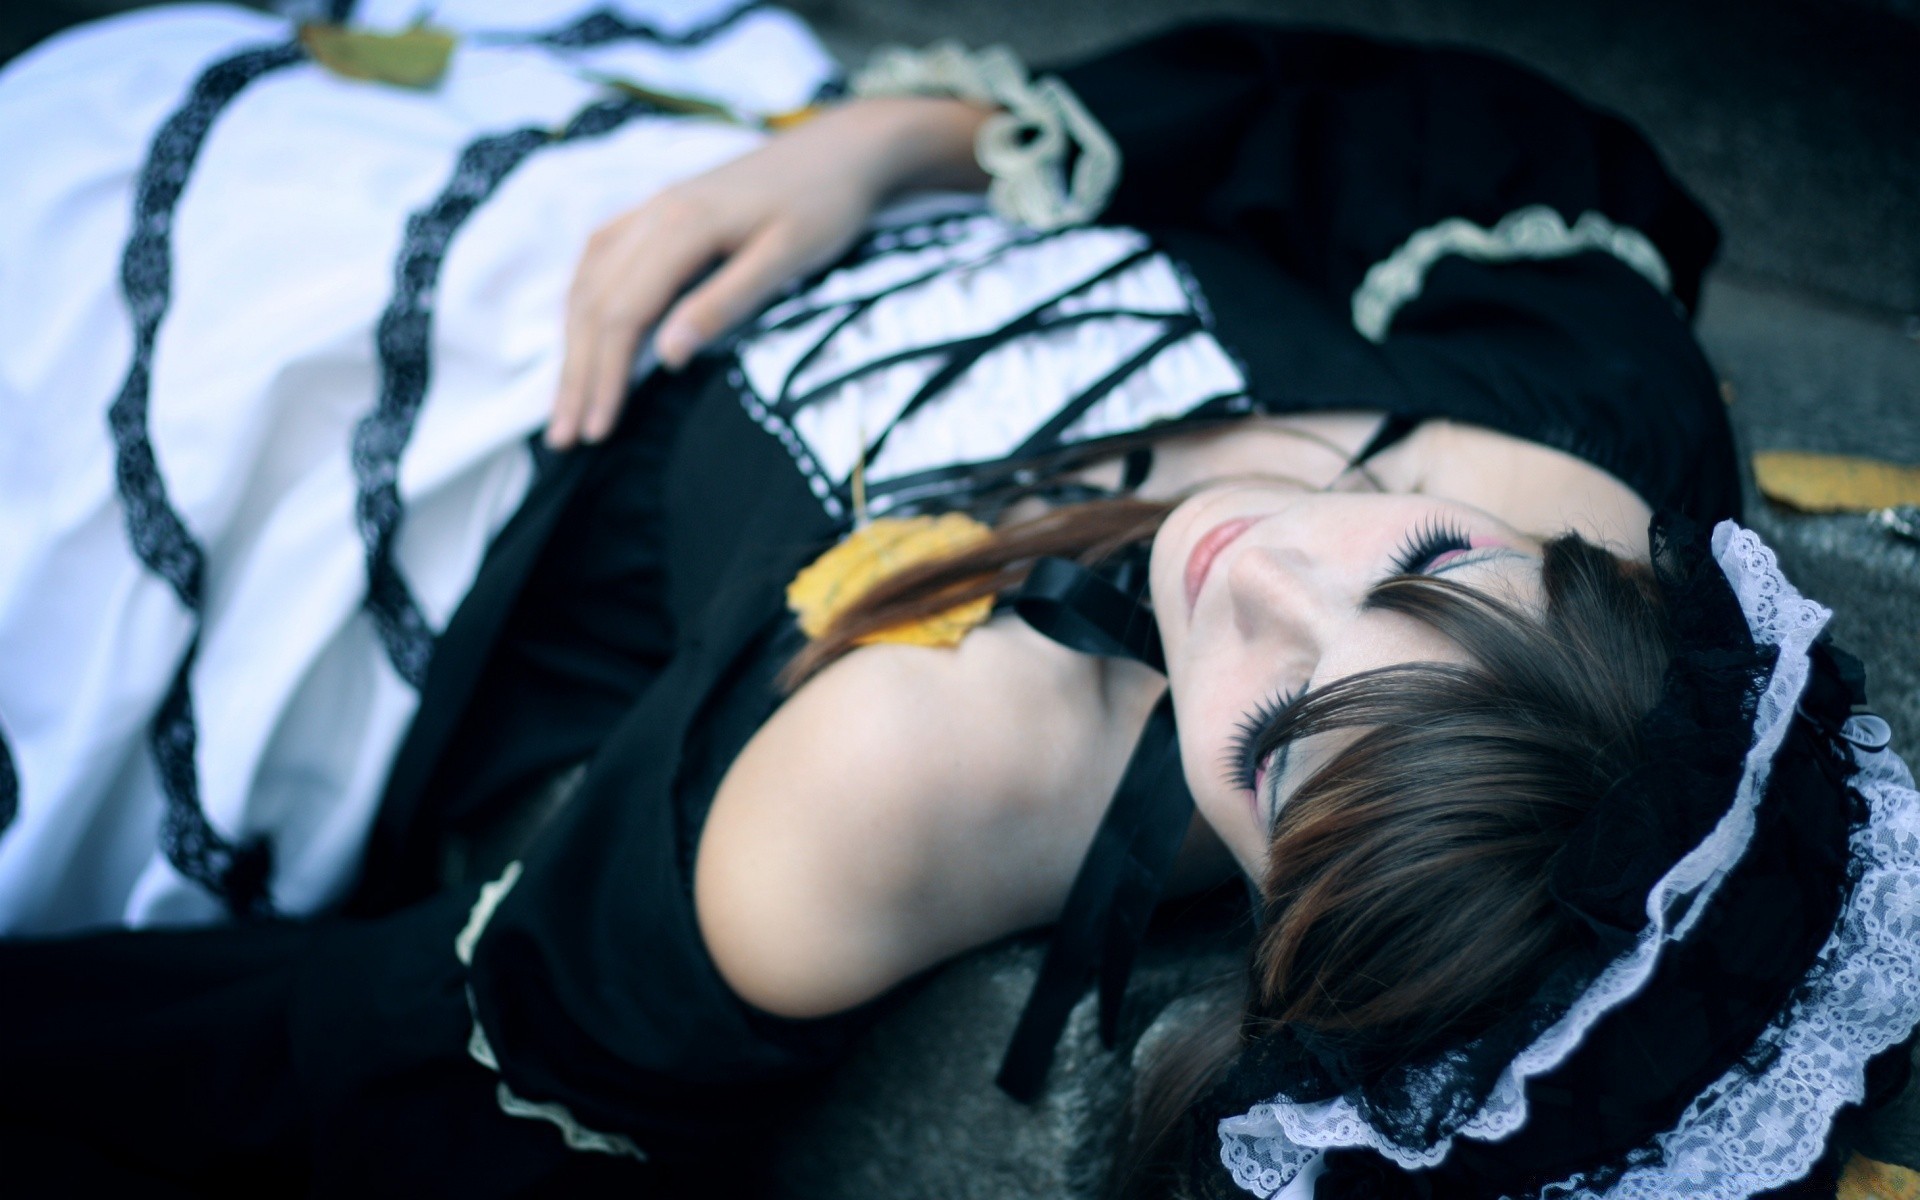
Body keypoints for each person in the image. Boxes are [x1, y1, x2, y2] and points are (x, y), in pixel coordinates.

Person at [0, 2, 1913, 1198]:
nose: (1266, 566)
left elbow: (371, 1063)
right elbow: (1416, 127)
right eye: (1421, 563)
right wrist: (892, 144)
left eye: (1271, 739)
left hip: (374, 468)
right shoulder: (1591, 449)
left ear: (1265, 904)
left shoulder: (923, 772)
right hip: (701, 163)